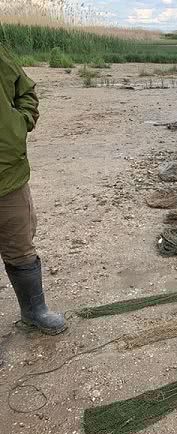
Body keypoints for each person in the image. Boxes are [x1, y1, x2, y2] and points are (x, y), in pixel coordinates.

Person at [0, 47, 67, 349]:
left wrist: (19, 122)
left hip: (7, 176)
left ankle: (33, 312)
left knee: (20, 245)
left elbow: (25, 91)